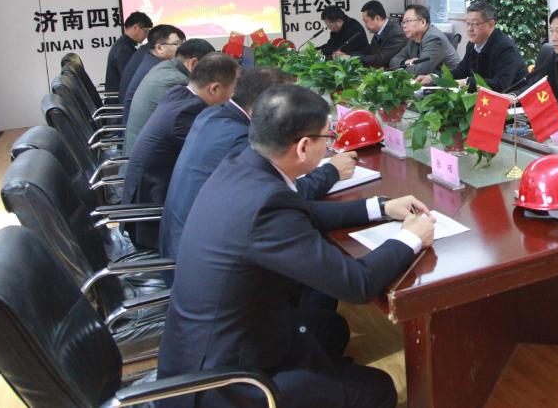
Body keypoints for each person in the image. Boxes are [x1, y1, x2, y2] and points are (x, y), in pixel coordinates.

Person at [156, 84, 437, 408]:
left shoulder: (242, 163)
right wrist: (410, 238)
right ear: (304, 147)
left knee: (332, 329)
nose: (330, 145)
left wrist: (380, 207)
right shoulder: (266, 207)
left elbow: (303, 211)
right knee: (379, 388)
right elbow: (356, 283)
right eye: (327, 138)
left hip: (220, 336)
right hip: (225, 380)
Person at [159, 67, 358, 265]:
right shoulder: (241, 140)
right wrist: (332, 171)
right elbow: (286, 194)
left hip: (186, 241)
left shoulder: (213, 114)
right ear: (265, 106)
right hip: (199, 259)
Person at [121, 53, 240, 249]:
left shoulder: (179, 93)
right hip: (153, 220)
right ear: (215, 89)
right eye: (234, 89)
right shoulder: (188, 114)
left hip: (148, 198)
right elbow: (218, 156)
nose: (234, 95)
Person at [123, 38, 215, 154]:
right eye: (211, 70)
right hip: (149, 157)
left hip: (138, 149)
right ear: (193, 63)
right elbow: (196, 128)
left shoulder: (164, 67)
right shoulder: (177, 82)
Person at [414, 0, 527, 92]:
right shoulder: (472, 45)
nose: (469, 29)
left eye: (475, 24)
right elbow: (460, 72)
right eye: (467, 23)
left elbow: (500, 85)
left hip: (512, 103)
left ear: (490, 25)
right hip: (482, 99)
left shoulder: (506, 48)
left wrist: (466, 82)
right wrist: (435, 78)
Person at [119, 24, 185, 124]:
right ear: (159, 48)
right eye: (176, 44)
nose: (182, 49)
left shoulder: (149, 59)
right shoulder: (158, 70)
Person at [388, 4, 460, 76]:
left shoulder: (434, 38)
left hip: (449, 81)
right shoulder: (413, 39)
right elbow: (393, 61)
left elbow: (419, 71)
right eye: (403, 22)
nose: (404, 25)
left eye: (408, 21)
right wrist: (405, 62)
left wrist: (401, 67)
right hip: (427, 79)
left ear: (423, 22)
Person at [339, 0, 405, 68]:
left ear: (377, 18)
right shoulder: (380, 30)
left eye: (366, 21)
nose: (365, 25)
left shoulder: (396, 34)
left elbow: (381, 59)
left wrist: (351, 58)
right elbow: (369, 50)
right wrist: (347, 55)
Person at [104, 11, 152, 100]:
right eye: (146, 31)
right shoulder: (124, 50)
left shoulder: (124, 44)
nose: (146, 36)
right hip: (120, 101)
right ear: (135, 28)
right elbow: (130, 79)